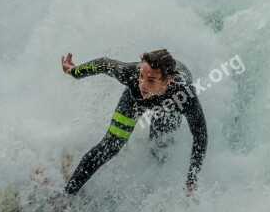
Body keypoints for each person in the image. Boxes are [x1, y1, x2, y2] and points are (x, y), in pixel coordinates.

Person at [61, 49, 207, 197]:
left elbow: (200, 136)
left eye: (150, 80)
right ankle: (67, 195)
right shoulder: (131, 75)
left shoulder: (184, 95)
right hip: (134, 100)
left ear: (166, 80)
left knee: (160, 152)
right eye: (141, 76)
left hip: (168, 107)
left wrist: (192, 179)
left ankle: (150, 192)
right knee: (110, 147)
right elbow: (103, 64)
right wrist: (74, 72)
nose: (142, 85)